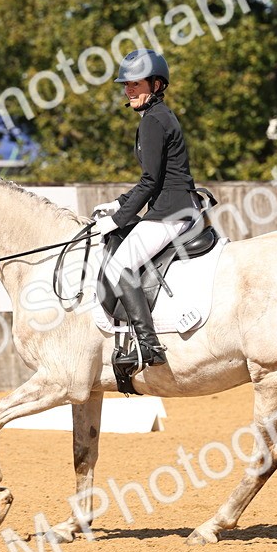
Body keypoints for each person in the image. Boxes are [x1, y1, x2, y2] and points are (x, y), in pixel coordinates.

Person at [92, 49, 199, 367]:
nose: (129, 90)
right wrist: (118, 203)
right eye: (125, 85)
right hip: (173, 205)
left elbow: (151, 182)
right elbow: (154, 178)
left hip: (171, 211)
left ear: (156, 84)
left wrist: (117, 220)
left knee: (119, 265)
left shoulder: (153, 121)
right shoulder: (159, 117)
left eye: (135, 84)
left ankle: (148, 346)